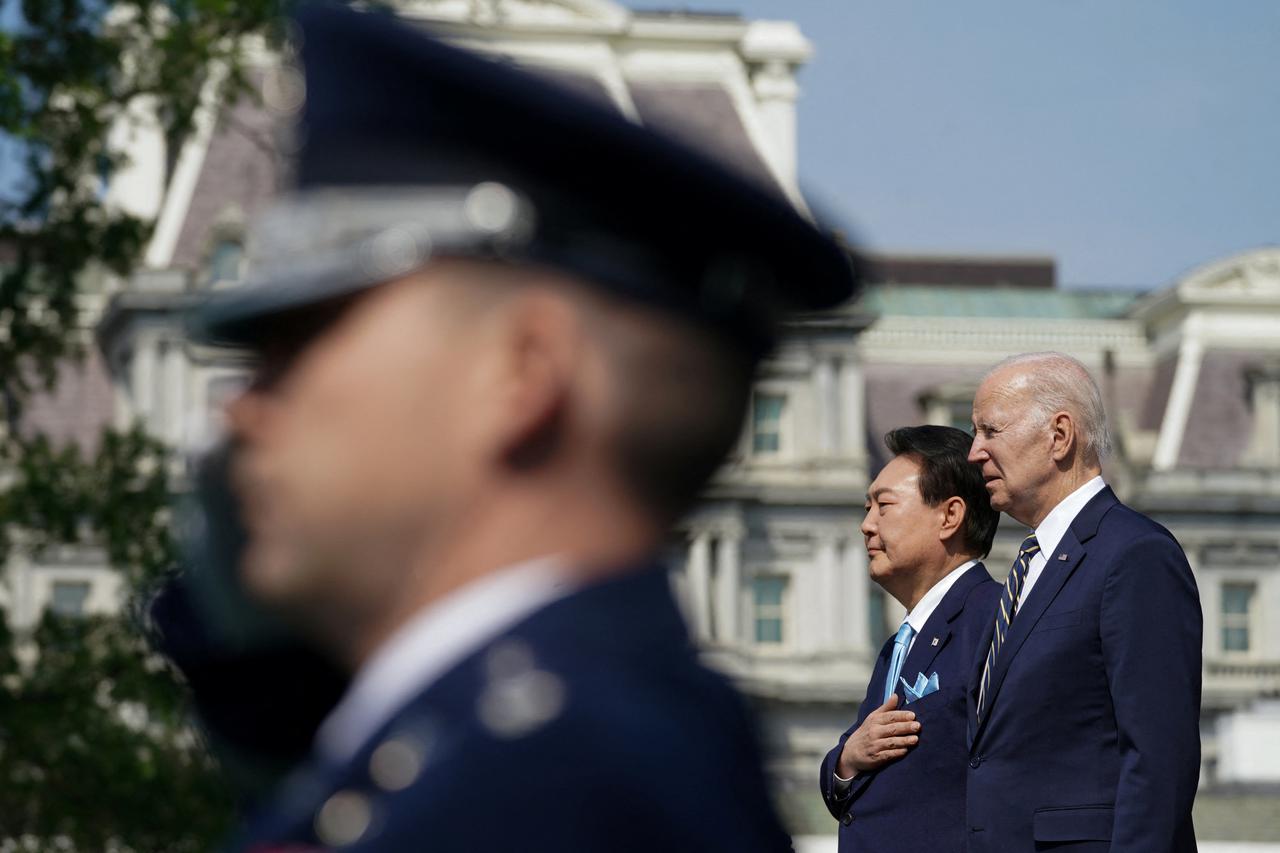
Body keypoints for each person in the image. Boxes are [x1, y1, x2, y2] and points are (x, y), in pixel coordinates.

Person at [161, 3, 864, 851]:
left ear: (523, 372)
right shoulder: (493, 756)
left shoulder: (553, 792)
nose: (241, 406)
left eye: (299, 340)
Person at [965, 352, 1201, 853]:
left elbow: (1159, 758)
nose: (974, 452)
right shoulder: (1029, 565)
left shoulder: (1135, 554)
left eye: (990, 431)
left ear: (1060, 435)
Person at [819, 425, 1001, 852]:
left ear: (950, 516)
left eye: (884, 506)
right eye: (867, 508)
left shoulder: (996, 619)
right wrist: (847, 760)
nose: (866, 525)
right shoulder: (899, 644)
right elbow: (856, 757)